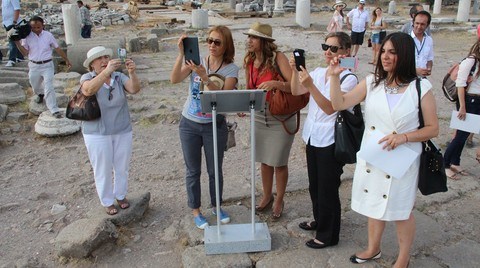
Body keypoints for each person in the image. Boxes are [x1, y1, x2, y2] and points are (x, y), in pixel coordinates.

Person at [329, 32, 439, 267]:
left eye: (393, 52)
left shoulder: (421, 87)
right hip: (374, 155)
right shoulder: (372, 82)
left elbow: (433, 128)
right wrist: (334, 78)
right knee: (373, 205)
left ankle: (403, 257)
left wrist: (404, 137)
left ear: (405, 55)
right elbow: (339, 104)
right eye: (383, 51)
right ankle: (373, 248)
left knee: (401, 210)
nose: (385, 57)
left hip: (402, 160)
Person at [290, 32, 357, 249]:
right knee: (315, 184)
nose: (328, 52)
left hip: (331, 139)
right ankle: (320, 220)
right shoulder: (319, 72)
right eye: (325, 46)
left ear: (345, 52)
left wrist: (310, 85)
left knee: (328, 187)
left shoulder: (349, 78)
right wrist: (295, 71)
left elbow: (330, 107)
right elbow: (295, 90)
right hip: (313, 136)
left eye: (334, 48)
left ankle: (328, 235)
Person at [170, 26, 239, 229]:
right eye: (209, 40)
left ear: (226, 45)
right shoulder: (197, 60)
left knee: (214, 170)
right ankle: (196, 211)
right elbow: (174, 79)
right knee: (193, 171)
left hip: (213, 124)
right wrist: (181, 54)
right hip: (189, 122)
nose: (211, 45)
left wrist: (205, 77)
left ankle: (217, 206)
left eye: (217, 42)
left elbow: (225, 98)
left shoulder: (231, 69)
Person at [80, 46, 141, 215]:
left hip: (122, 128)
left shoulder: (118, 77)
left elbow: (134, 89)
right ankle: (107, 200)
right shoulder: (87, 77)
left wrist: (132, 73)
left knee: (122, 166)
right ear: (92, 64)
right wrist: (105, 73)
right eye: (99, 58)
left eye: (106, 57)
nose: (104, 60)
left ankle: (120, 195)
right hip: (96, 131)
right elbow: (88, 90)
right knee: (102, 168)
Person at [243, 22, 294, 220]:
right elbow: (251, 88)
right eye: (249, 37)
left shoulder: (278, 57)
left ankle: (280, 199)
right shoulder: (249, 60)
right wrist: (243, 104)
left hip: (280, 116)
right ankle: (267, 196)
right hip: (259, 115)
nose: (249, 41)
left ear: (264, 42)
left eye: (253, 37)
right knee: (264, 160)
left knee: (279, 162)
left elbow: (294, 87)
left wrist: (276, 84)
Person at [14, 16, 72, 118]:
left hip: (47, 65)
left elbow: (57, 48)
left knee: (49, 87)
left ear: (42, 26)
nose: (36, 29)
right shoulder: (27, 36)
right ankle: (40, 94)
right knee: (34, 85)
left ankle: (54, 109)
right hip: (34, 65)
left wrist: (67, 59)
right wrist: (17, 42)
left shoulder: (48, 35)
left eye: (38, 27)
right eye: (33, 27)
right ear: (30, 27)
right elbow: (25, 52)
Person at [444, 40, 480, 180]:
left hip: (477, 100)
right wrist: (463, 107)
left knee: (464, 136)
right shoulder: (471, 61)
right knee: (460, 135)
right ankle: (445, 163)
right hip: (468, 101)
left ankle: (455, 162)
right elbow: (460, 84)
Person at [411, 10, 434, 77]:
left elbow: (430, 58)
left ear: (427, 25)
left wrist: (429, 68)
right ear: (413, 23)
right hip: (407, 78)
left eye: (422, 24)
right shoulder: (405, 39)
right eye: (417, 23)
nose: (419, 27)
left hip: (422, 78)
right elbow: (400, 62)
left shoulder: (429, 40)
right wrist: (415, 70)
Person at [2, 0, 24, 67]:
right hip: (7, 23)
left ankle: (12, 60)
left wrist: (14, 22)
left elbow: (17, 9)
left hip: (13, 23)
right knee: (14, 40)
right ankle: (19, 57)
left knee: (12, 42)